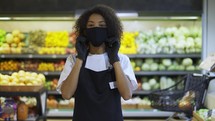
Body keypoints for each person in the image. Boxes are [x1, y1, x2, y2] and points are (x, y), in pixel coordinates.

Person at [57, 4, 138, 121]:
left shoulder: (122, 59)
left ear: (109, 29)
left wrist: (114, 59)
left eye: (102, 25)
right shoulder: (73, 60)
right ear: (84, 31)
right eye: (91, 25)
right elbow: (66, 94)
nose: (96, 29)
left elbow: (127, 94)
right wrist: (80, 57)